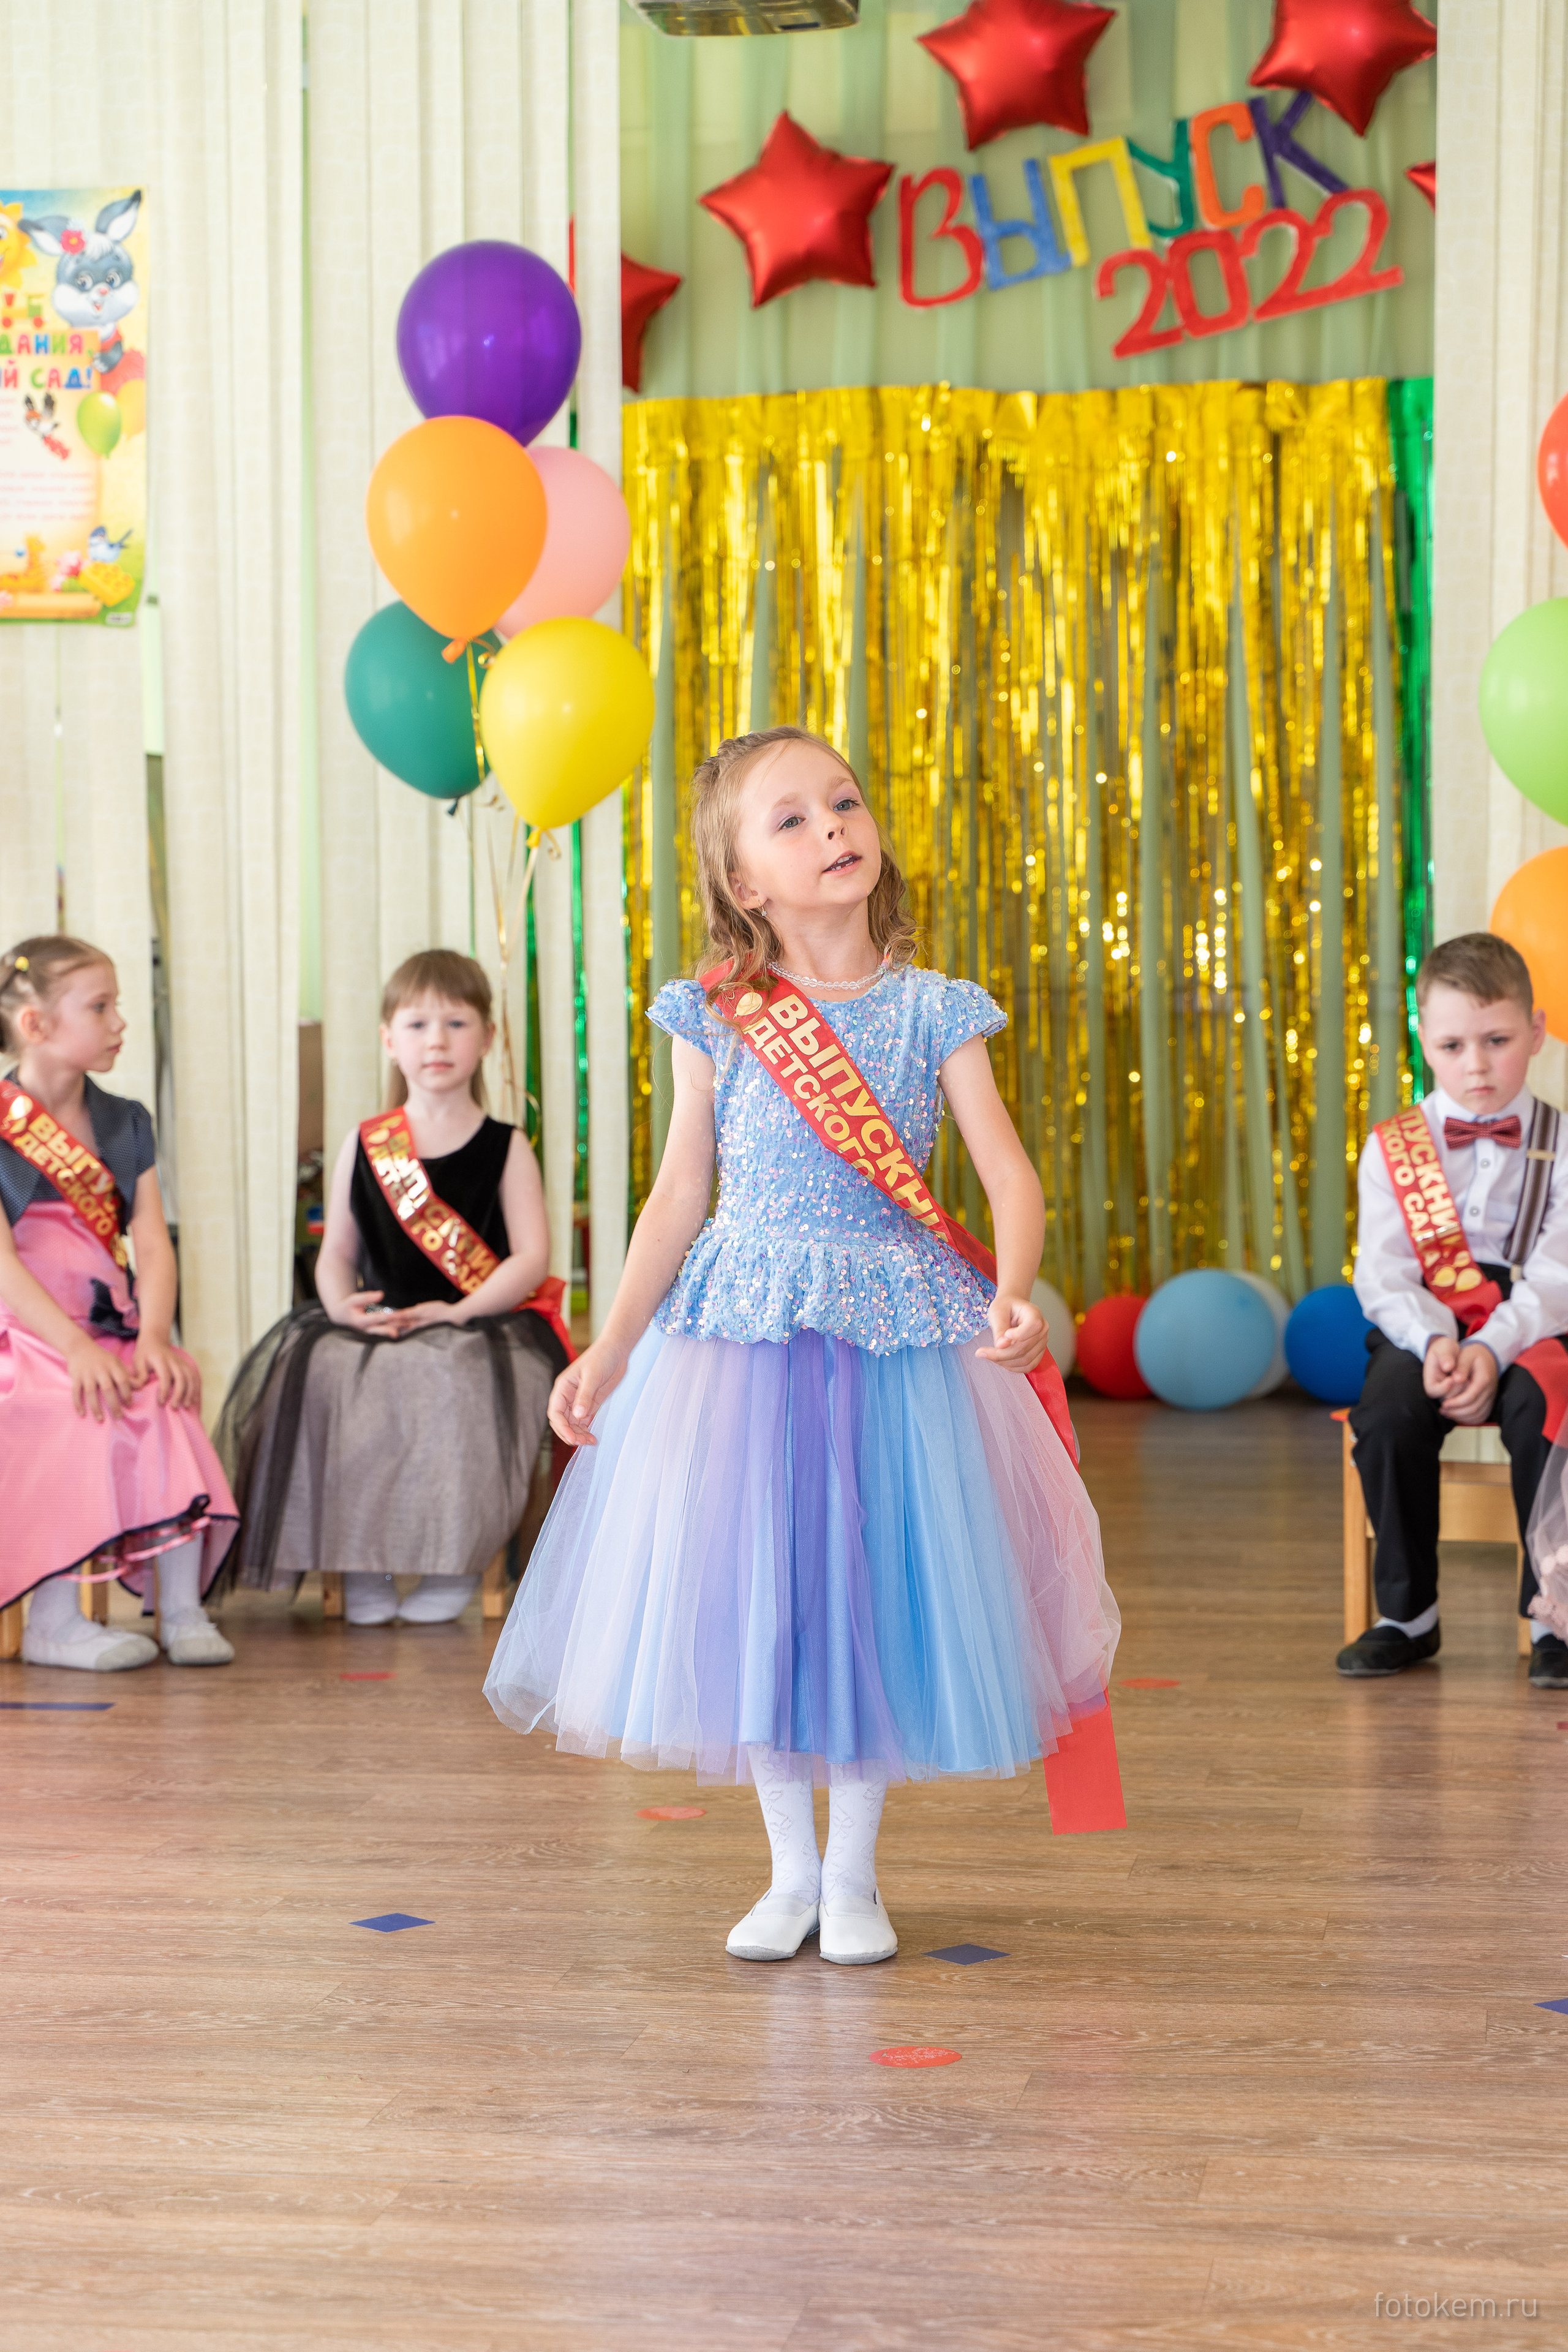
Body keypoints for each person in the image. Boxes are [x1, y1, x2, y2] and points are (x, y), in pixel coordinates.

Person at [484, 725, 1119, 1966]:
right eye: (791, 819)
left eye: (843, 802)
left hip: (898, 1335)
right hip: (740, 1335)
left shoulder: (935, 1008)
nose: (832, 827)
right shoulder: (715, 1015)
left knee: (877, 1594)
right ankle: (786, 1872)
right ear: (740, 882)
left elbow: (1004, 1172)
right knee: (759, 1597)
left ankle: (855, 1875)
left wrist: (1020, 1288)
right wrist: (611, 1346)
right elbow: (678, 1193)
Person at [218, 950, 566, 1624]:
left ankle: (455, 1564)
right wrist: (338, 1307)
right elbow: (335, 1253)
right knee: (330, 1376)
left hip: (477, 1323)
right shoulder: (365, 1141)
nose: (436, 1040)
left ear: (488, 1038)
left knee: (455, 1380)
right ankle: (360, 1562)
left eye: (457, 1023)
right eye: (416, 1024)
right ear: (388, 1040)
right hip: (378, 1323)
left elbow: (530, 1258)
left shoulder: (506, 1144)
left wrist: (460, 1309)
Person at [0, 935, 236, 1670]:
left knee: (163, 1395)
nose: (119, 1022)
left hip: (112, 1329)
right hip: (27, 1335)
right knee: (78, 1404)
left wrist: (156, 1337)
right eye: (100, 1007)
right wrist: (70, 1348)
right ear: (36, 1025)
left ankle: (182, 1610)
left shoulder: (126, 1121)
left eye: (117, 1005)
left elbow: (152, 1242)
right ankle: (55, 1621)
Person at [1341, 932, 1568, 1687]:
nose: (1476, 1064)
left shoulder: (1563, 1141)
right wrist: (1434, 1340)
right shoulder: (1393, 1146)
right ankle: (1407, 1615)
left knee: (1549, 1407)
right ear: (1423, 1040)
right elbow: (1381, 1272)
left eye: (1497, 1040)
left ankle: (1553, 1616)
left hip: (1534, 1322)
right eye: (1453, 1044)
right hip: (1425, 1322)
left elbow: (1558, 1274)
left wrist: (1493, 1347)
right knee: (1388, 1416)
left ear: (1535, 1031)